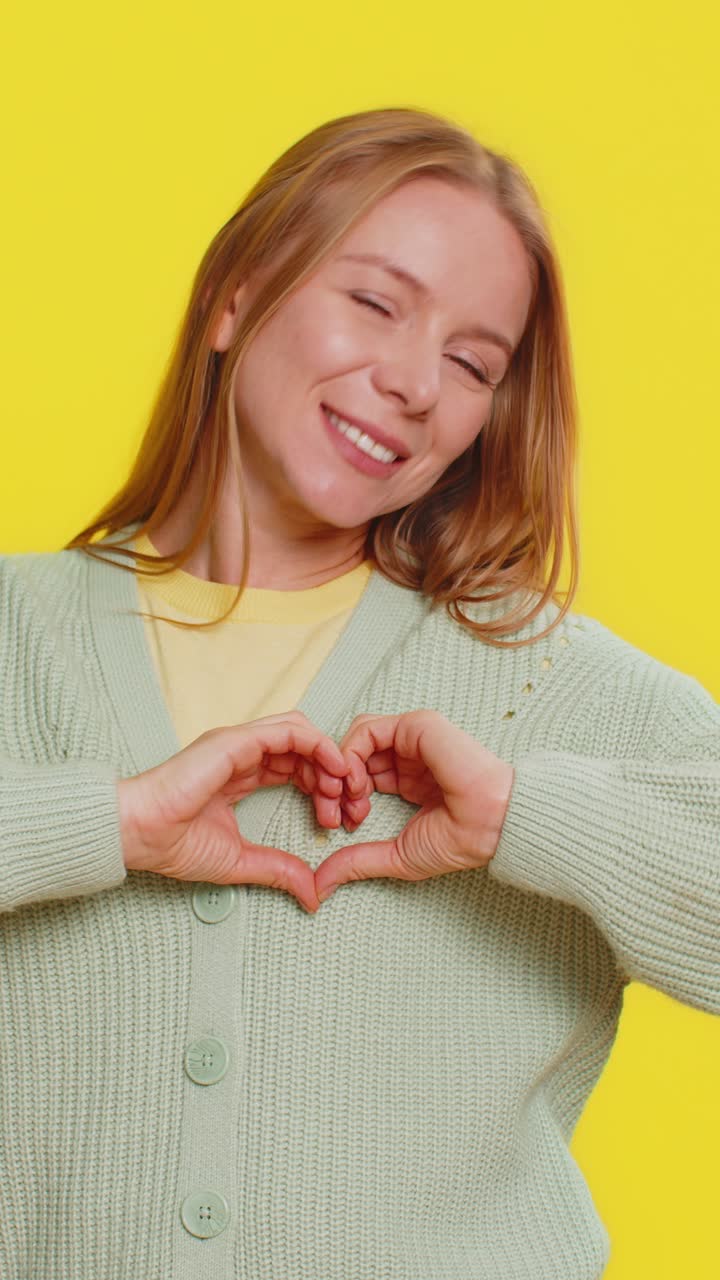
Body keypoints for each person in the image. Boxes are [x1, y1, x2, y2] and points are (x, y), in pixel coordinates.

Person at [1, 106, 717, 1280]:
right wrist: (103, 821)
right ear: (234, 295)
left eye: (475, 361)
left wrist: (533, 818)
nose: (413, 381)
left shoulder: (540, 678)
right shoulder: (11, 634)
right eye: (376, 303)